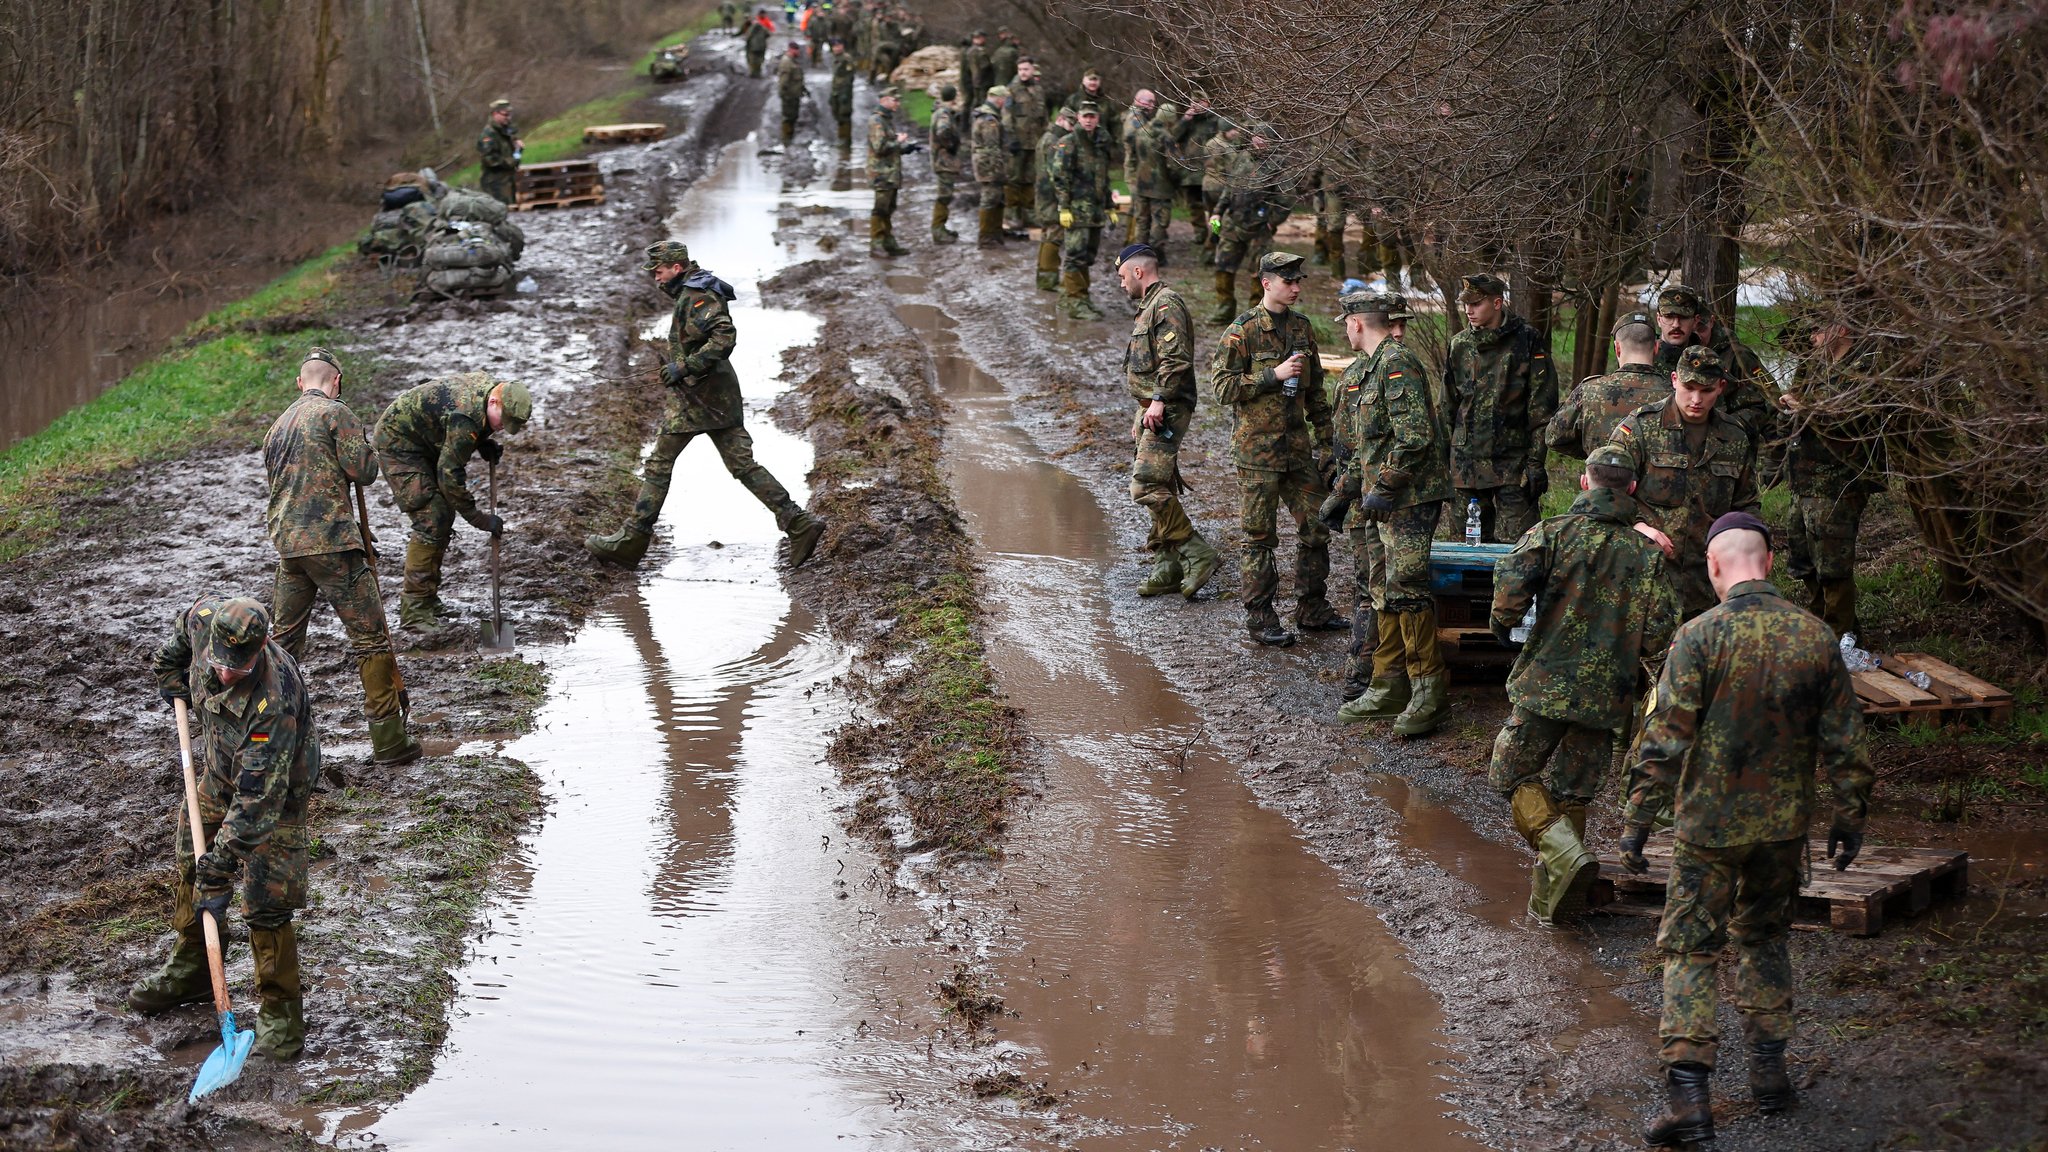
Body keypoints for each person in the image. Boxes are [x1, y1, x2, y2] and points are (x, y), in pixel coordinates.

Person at [1620, 512, 1874, 1146]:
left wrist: (1637, 821)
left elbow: (1665, 737)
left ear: (1714, 567)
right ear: (1767, 563)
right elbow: (1846, 741)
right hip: (1784, 829)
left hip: (1709, 828)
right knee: (1764, 940)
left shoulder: (1699, 637)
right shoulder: (1815, 637)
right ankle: (1770, 1079)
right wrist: (1849, 815)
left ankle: (1689, 1100)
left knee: (1690, 948)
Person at [1487, 445, 1677, 924]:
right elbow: (1660, 632)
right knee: (1574, 792)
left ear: (1584, 482)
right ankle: (1551, 902)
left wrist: (1503, 624)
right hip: (1607, 694)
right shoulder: (1647, 553)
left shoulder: (1552, 533)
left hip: (1544, 684)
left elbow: (1509, 585)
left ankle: (1564, 856)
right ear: (1632, 489)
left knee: (1509, 774)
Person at [131, 597, 316, 1063]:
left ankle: (281, 1015)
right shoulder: (203, 621)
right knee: (188, 858)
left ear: (263, 647)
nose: (227, 674)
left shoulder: (276, 703)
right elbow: (176, 643)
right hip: (218, 769)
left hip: (276, 789)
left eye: (240, 667)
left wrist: (223, 867)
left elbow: (257, 801)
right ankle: (193, 967)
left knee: (267, 896)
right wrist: (170, 674)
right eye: (219, 664)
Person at [585, 241, 826, 567]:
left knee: (658, 465)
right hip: (716, 397)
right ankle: (798, 523)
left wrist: (683, 367)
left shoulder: (697, 296)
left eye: (659, 272)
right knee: (742, 465)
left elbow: (724, 337)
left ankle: (632, 540)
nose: (656, 279)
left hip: (699, 399)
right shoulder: (693, 290)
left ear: (676, 268)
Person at [262, 348, 421, 768]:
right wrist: (363, 444)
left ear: (300, 383)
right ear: (337, 380)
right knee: (369, 638)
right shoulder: (337, 413)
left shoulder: (277, 426)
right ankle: (389, 739)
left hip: (289, 546)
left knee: (283, 644)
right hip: (333, 543)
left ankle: (272, 739)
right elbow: (363, 471)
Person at [1331, 291, 1453, 735]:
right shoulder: (1376, 365)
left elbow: (1414, 437)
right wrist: (1349, 492)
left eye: (1346, 322)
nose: (1344, 330)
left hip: (1410, 497)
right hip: (1387, 499)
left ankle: (1429, 693)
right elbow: (1373, 443)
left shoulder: (1396, 363)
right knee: (1386, 586)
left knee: (1409, 588)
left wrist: (1384, 487)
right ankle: (1389, 682)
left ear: (1358, 323)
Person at [1210, 252, 1343, 647]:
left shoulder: (1303, 328)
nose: (1296, 288)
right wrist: (1273, 374)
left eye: (1298, 281)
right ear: (1266, 283)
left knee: (1317, 527)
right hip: (1257, 454)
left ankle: (1312, 608)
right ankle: (1261, 617)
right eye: (1288, 282)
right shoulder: (1243, 330)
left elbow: (1317, 391)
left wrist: (1327, 443)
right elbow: (1222, 388)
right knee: (1259, 536)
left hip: (1297, 450)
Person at [1604, 345, 1761, 620]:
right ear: (1674, 380)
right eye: (1689, 388)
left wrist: (1745, 546)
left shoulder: (1734, 438)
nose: (1696, 399)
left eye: (1707, 390)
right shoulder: (1640, 428)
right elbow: (1605, 493)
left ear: (1721, 387)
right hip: (1648, 573)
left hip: (1709, 579)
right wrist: (1639, 525)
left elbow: (1746, 503)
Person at [372, 373, 530, 631]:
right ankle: (415, 611)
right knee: (432, 518)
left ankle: (429, 601)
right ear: (494, 402)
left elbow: (453, 423)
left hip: (425, 441)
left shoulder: (486, 395)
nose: (502, 428)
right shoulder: (465, 418)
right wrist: (477, 518)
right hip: (398, 445)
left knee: (442, 515)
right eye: (504, 421)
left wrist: (482, 441)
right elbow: (449, 476)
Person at [1117, 243, 1219, 599]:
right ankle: (1167, 564)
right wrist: (1141, 408)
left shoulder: (1166, 303)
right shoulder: (1148, 307)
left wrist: (1158, 401)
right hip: (1153, 406)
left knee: (1145, 485)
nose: (1121, 283)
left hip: (1168, 405)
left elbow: (1176, 360)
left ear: (1138, 272)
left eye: (1122, 276)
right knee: (1160, 482)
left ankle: (1198, 553)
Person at [1781, 316, 1888, 638]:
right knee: (1802, 556)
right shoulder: (1816, 366)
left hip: (1840, 483)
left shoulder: (1863, 370)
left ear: (1841, 329)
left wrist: (1808, 409)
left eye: (1817, 329)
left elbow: (1859, 421)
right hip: (1805, 479)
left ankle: (1841, 634)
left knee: (1833, 564)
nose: (1811, 337)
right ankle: (1818, 626)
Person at [1445, 272, 1559, 543]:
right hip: (1466, 463)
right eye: (1466, 304)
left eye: (1476, 304)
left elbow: (1542, 408)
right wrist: (1443, 461)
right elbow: (1447, 405)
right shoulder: (1460, 344)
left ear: (1497, 303)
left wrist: (1535, 462)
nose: (1469, 310)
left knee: (1520, 548)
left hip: (1512, 463)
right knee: (1466, 549)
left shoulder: (1527, 340)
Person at [1650, 284, 1774, 438]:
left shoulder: (1713, 361)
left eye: (1684, 317)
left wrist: (1721, 432)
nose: (1676, 324)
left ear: (1695, 321)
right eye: (1669, 317)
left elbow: (1757, 406)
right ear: (1659, 319)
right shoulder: (1646, 356)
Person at [1547, 311, 1668, 460]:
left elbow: (1554, 437)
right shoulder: (1675, 394)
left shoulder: (1589, 390)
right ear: (1656, 347)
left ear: (1617, 348)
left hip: (1602, 480)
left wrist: (1592, 454)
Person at [1208, 129, 1292, 325]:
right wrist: (1218, 211)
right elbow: (1228, 189)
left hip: (1260, 227)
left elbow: (1286, 199)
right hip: (1232, 224)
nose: (1260, 142)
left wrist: (1272, 222)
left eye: (1265, 138)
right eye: (1258, 137)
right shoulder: (1241, 157)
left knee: (1261, 272)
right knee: (1223, 266)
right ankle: (1224, 309)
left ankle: (1256, 315)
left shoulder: (1277, 164)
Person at [1050, 101, 1114, 319]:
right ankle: (1076, 302)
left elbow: (1103, 178)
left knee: (1088, 255)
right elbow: (1060, 178)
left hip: (1095, 211)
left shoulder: (1101, 143)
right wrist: (1064, 207)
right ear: (1078, 117)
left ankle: (1077, 297)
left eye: (1092, 117)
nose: (1088, 120)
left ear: (1097, 118)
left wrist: (1109, 206)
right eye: (1085, 116)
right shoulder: (1068, 143)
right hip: (1076, 210)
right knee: (1075, 255)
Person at [1000, 57, 1049, 237]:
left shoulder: (1038, 90)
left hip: (1034, 142)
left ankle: (1029, 213)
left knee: (1030, 178)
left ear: (1032, 70)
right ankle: (1012, 214)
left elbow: (1043, 116)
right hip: (1017, 143)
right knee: (1013, 179)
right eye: (1020, 69)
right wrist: (1010, 138)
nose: (1023, 72)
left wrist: (1047, 137)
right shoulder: (1011, 90)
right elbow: (1006, 116)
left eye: (1026, 69)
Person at [1031, 107, 1076, 290]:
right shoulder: (1054, 142)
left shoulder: (1048, 138)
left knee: (1048, 234)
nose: (1072, 129)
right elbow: (1055, 174)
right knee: (1053, 236)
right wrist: (1063, 200)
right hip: (1050, 197)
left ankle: (1044, 278)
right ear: (1060, 119)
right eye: (1070, 124)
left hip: (1044, 196)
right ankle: (1048, 280)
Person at [866, 86, 911, 257]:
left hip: (889, 172)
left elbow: (886, 144)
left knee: (889, 207)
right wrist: (898, 142)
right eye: (895, 100)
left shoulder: (885, 119)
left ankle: (888, 242)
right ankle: (877, 244)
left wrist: (904, 147)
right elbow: (879, 147)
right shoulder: (877, 120)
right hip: (881, 173)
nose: (898, 103)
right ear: (883, 100)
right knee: (880, 208)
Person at [1130, 101, 1178, 259]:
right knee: (1160, 222)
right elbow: (1174, 164)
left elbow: (1134, 155)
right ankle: (1156, 254)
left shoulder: (1141, 131)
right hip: (1161, 187)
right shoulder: (1167, 137)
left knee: (1142, 220)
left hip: (1141, 183)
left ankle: (1138, 252)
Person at [1177, 100, 1222, 264]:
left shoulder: (1216, 121)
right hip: (1191, 172)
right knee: (1194, 205)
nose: (1197, 105)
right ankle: (1200, 233)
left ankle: (1214, 237)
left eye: (1201, 102)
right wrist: (1184, 120)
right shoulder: (1188, 121)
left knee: (1215, 213)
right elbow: (1173, 137)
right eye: (1194, 102)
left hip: (1213, 177)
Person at [971, 85, 1011, 247]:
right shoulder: (989, 120)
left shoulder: (986, 116)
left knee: (996, 199)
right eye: (1005, 100)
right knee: (989, 199)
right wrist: (999, 171)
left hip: (984, 163)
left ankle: (995, 233)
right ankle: (986, 238)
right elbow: (992, 148)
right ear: (1000, 99)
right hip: (989, 166)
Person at [928, 83, 963, 244]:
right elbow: (943, 132)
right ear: (954, 97)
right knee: (944, 196)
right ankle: (938, 230)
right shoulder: (944, 114)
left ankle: (940, 227)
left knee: (945, 195)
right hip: (944, 160)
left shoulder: (940, 111)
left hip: (942, 160)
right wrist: (951, 145)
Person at [476, 99, 522, 205]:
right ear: (495, 114)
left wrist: (518, 148)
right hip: (495, 184)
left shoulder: (506, 132)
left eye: (510, 115)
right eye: (505, 115)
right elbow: (489, 159)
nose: (508, 118)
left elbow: (511, 151)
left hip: (508, 181)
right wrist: (511, 162)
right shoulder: (489, 135)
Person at [776, 41, 806, 143]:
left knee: (793, 116)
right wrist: (783, 94)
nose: (798, 52)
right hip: (789, 95)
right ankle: (786, 140)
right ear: (792, 50)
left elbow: (796, 78)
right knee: (788, 118)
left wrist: (803, 89)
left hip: (794, 94)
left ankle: (789, 138)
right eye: (797, 50)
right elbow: (784, 80)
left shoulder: (793, 61)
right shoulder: (787, 62)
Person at [828, 39, 855, 146]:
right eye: (834, 47)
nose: (836, 48)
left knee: (844, 115)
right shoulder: (836, 59)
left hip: (845, 91)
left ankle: (845, 140)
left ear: (842, 46)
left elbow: (849, 77)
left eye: (838, 46)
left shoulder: (846, 59)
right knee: (836, 113)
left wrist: (845, 93)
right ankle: (841, 137)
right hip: (836, 90)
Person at [962, 29, 992, 111]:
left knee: (976, 103)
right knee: (981, 103)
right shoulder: (977, 51)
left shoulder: (971, 51)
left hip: (976, 81)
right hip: (981, 82)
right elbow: (982, 67)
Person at [744, 8, 772, 77]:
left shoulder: (752, 27)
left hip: (753, 46)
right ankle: (758, 73)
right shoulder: (763, 27)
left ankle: (753, 73)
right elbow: (768, 34)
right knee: (760, 59)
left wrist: (747, 43)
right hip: (762, 46)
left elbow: (748, 36)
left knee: (753, 59)